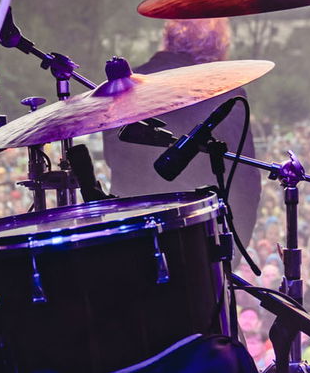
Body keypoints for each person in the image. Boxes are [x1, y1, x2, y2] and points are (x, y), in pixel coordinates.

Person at [100, 16, 263, 240]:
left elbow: (112, 158)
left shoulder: (125, 87)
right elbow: (244, 181)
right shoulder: (226, 93)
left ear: (168, 38)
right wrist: (233, 251)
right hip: (197, 237)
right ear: (218, 46)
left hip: (132, 234)